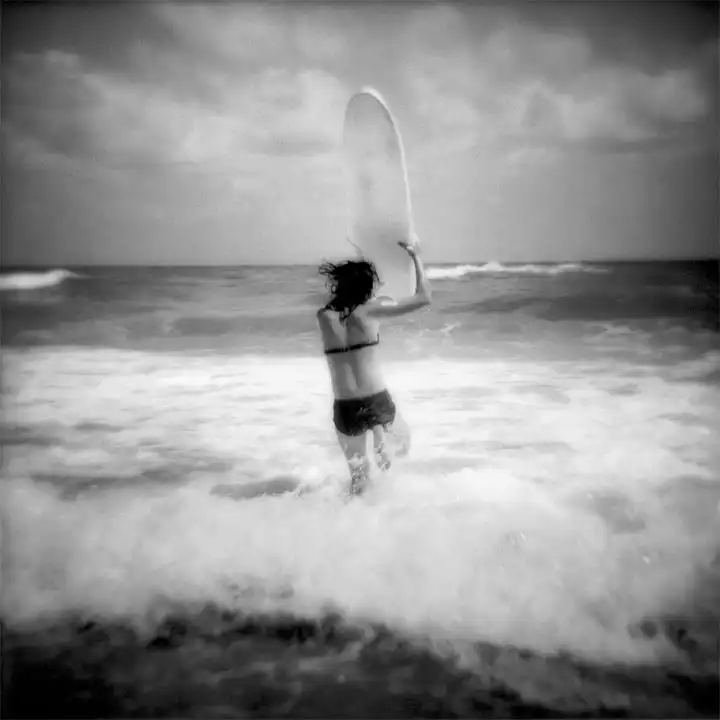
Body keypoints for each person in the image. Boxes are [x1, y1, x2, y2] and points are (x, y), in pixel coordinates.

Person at [317, 239, 432, 495]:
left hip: (344, 406)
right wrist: (416, 257)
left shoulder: (323, 316)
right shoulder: (372, 310)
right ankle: (379, 434)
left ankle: (353, 515)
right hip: (375, 398)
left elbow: (341, 306)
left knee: (358, 479)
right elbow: (424, 297)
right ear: (366, 286)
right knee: (403, 445)